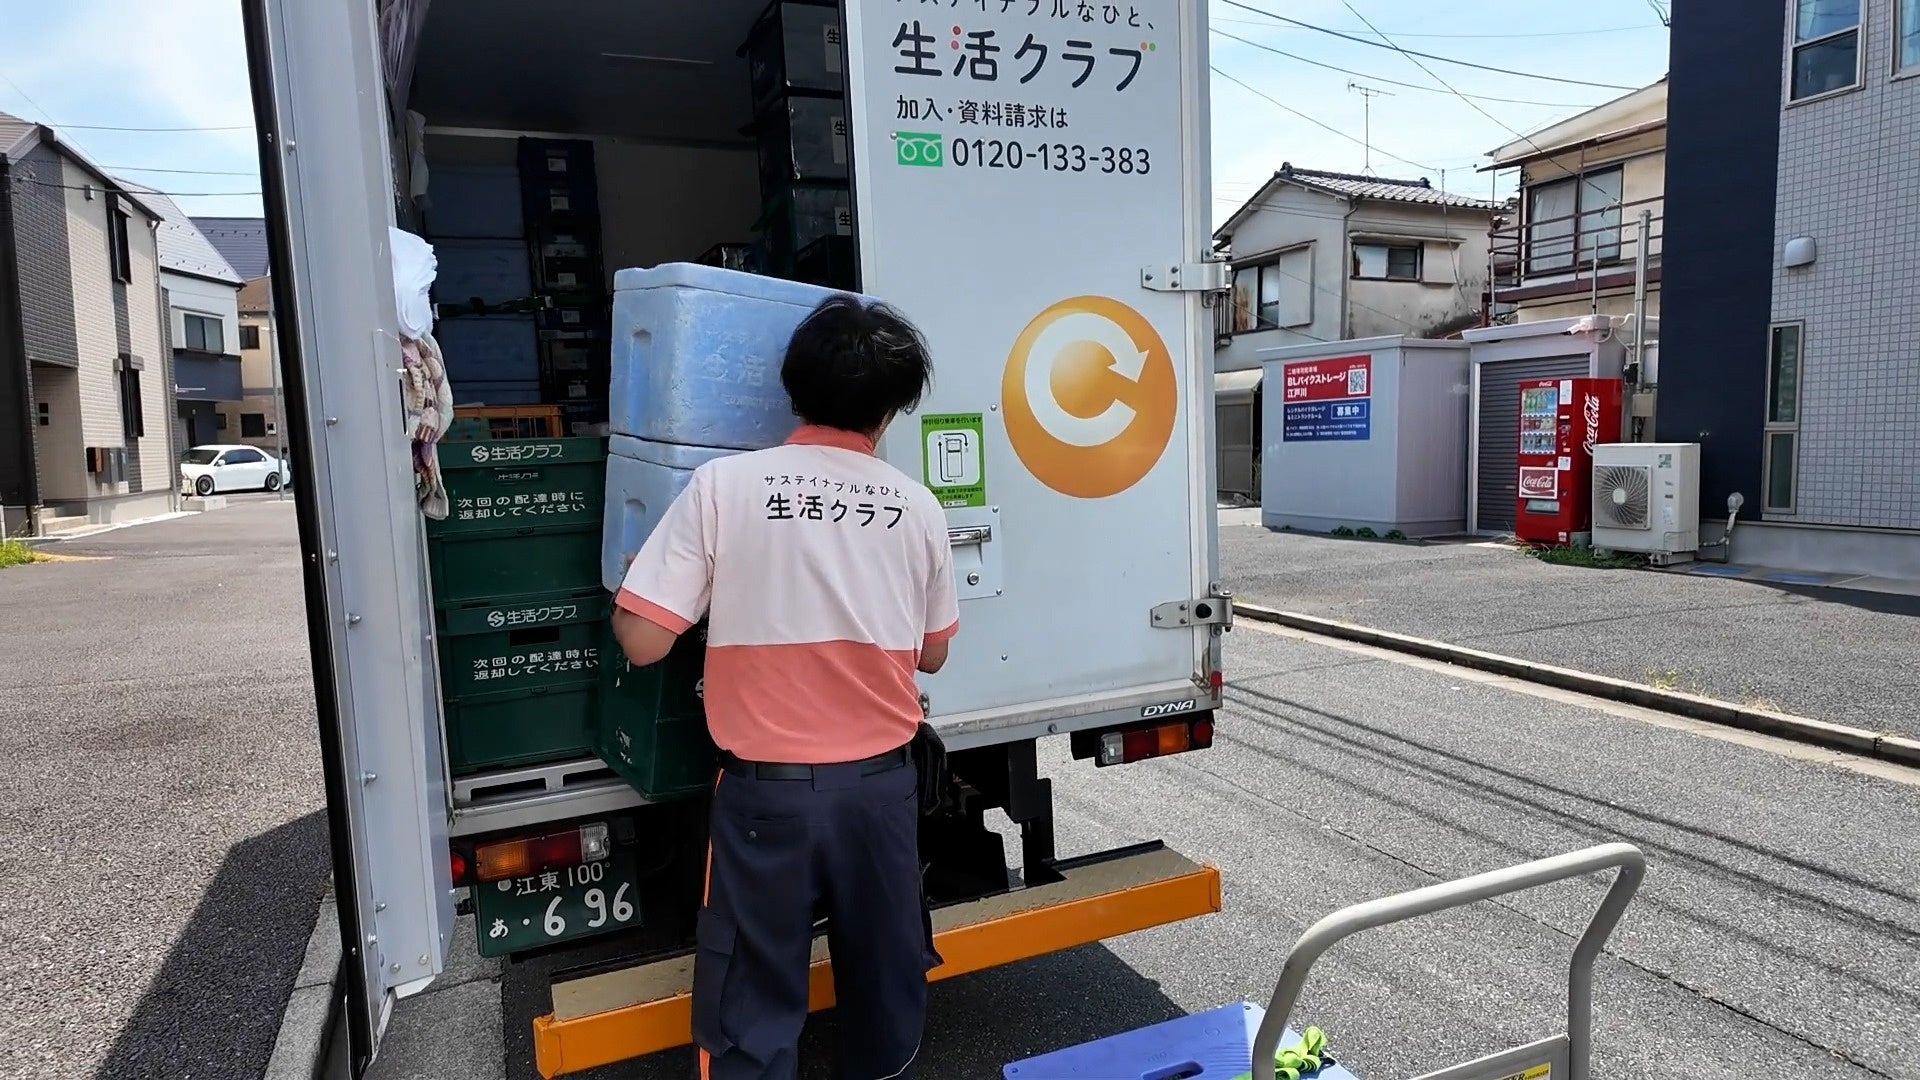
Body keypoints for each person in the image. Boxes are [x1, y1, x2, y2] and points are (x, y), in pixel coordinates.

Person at [611, 294, 959, 1079]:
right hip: (881, 793)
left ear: (793, 391)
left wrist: (636, 589)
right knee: (887, 981)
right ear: (890, 411)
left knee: (749, 1001)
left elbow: (643, 642)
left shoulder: (723, 488)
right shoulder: (917, 507)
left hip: (765, 799)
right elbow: (933, 655)